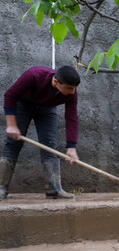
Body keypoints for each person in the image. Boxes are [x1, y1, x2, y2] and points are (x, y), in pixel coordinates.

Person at [0, 65, 81, 200]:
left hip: (47, 109)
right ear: (56, 81)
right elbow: (9, 95)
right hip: (23, 105)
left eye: (74, 89)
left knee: (49, 147)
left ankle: (54, 189)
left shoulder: (71, 91)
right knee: (13, 144)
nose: (72, 92)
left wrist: (71, 147)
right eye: (69, 88)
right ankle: (1, 188)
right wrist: (11, 125)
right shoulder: (34, 75)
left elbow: (71, 117)